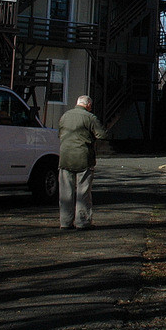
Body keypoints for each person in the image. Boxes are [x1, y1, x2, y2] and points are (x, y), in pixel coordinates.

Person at [58, 95, 107, 230]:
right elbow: (102, 134)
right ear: (88, 105)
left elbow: (60, 133)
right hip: (83, 158)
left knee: (65, 192)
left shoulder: (65, 116)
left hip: (65, 157)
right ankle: (82, 222)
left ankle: (65, 222)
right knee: (83, 192)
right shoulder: (90, 118)